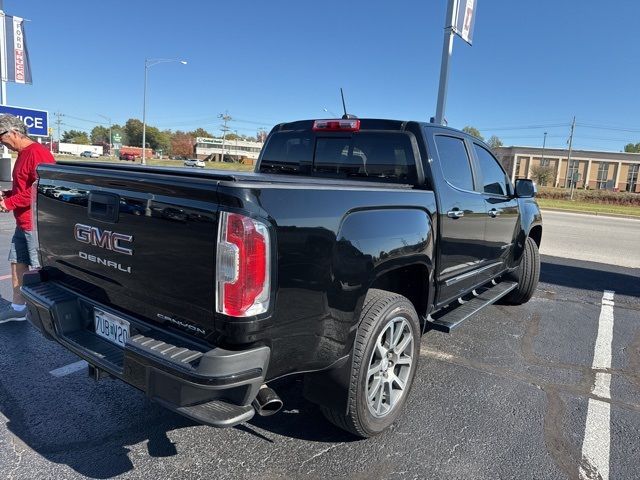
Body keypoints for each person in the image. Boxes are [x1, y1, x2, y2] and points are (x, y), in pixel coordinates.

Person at [0, 114, 55, 323]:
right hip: (22, 222)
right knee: (18, 261)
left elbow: (41, 188)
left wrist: (8, 203)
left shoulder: (38, 153)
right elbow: (25, 186)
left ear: (13, 132)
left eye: (0, 138)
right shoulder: (23, 154)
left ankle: (53, 316)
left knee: (44, 269)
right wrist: (8, 195)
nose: (1, 142)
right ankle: (18, 307)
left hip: (36, 224)